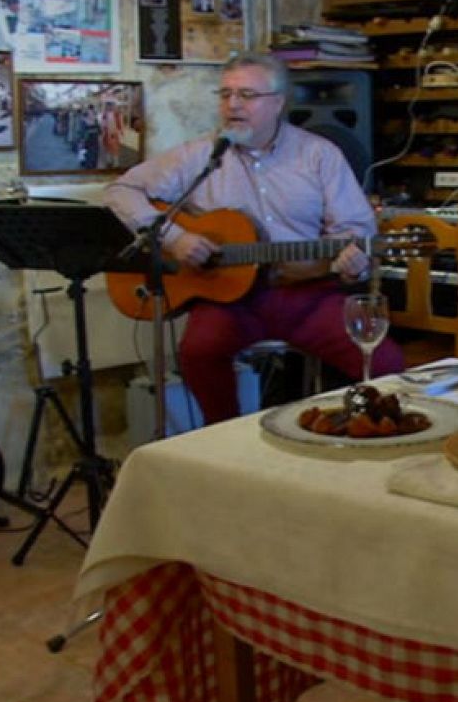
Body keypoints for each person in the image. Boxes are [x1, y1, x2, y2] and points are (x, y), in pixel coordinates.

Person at [103, 52, 401, 424]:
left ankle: (360, 438)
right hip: (230, 300)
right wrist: (174, 237)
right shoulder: (199, 155)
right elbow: (121, 191)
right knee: (198, 351)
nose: (233, 105)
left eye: (247, 95)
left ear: (277, 103)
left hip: (307, 294)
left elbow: (357, 229)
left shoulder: (319, 155)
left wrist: (352, 258)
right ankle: (223, 436)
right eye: (225, 94)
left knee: (386, 364)